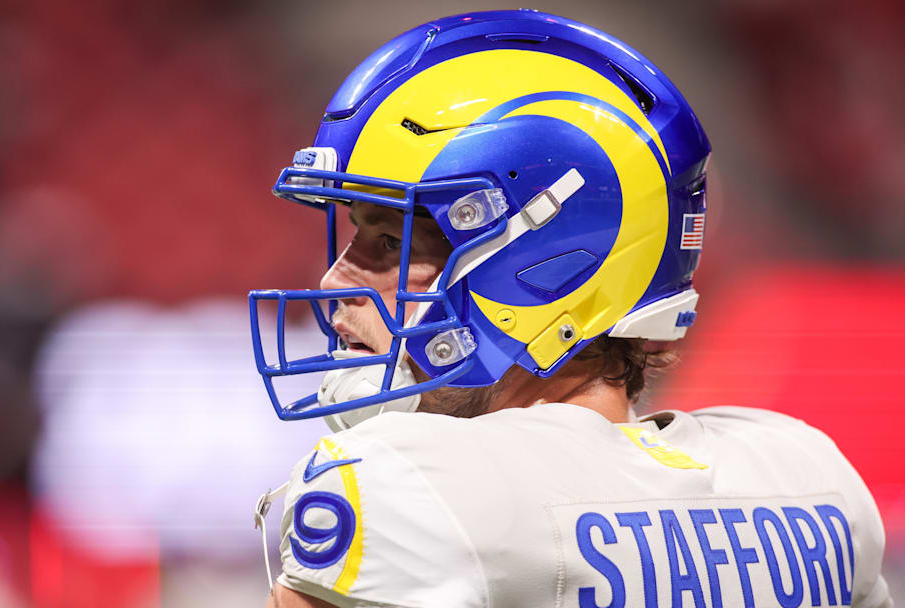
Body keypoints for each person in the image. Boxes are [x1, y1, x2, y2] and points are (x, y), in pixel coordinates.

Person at [248, 10, 892, 607]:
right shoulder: (807, 479)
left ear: (549, 271)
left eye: (392, 241)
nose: (336, 280)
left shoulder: (407, 486)